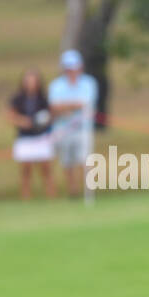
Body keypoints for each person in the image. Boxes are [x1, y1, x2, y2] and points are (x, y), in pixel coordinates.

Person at [47, 50, 99, 197]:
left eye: (74, 67)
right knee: (67, 162)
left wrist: (65, 107)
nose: (71, 71)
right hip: (63, 129)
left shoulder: (89, 83)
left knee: (85, 160)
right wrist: (73, 106)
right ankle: (73, 191)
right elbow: (54, 107)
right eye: (68, 68)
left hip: (83, 129)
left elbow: (87, 103)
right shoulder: (56, 85)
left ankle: (88, 192)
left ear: (80, 67)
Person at [6, 70, 55, 200]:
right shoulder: (18, 99)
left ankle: (51, 195)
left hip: (41, 137)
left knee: (46, 168)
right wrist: (25, 122)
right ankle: (26, 196)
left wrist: (42, 122)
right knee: (26, 169)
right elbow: (11, 116)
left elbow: (50, 115)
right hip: (25, 138)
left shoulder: (43, 99)